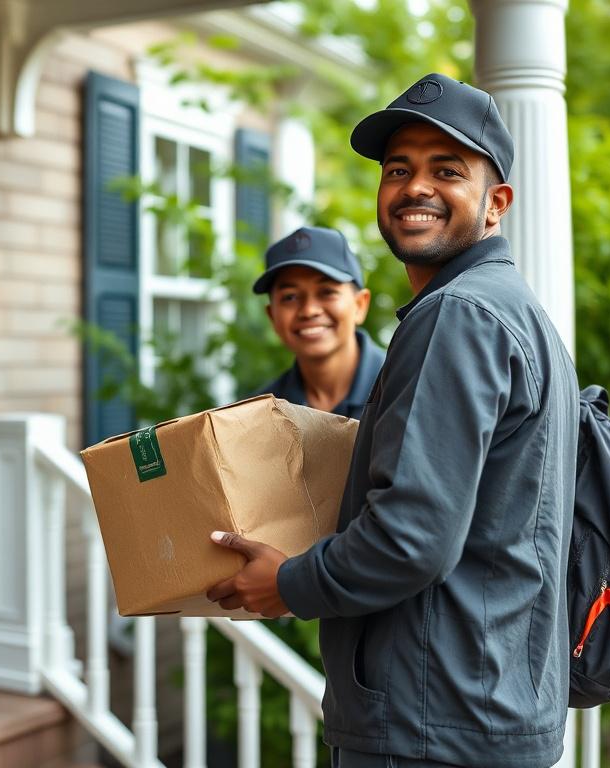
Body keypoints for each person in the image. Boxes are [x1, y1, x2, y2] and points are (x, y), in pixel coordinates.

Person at [207, 73, 579, 768]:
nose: (415, 187)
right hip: (480, 707)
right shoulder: (510, 308)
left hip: (433, 724)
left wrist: (288, 583)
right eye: (399, 169)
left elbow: (412, 538)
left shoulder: (457, 315)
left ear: (496, 203)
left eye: (447, 170)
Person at [253, 226, 385, 418]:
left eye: (327, 292)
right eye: (290, 297)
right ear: (272, 315)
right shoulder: (261, 415)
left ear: (360, 305)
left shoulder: (405, 388)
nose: (309, 310)